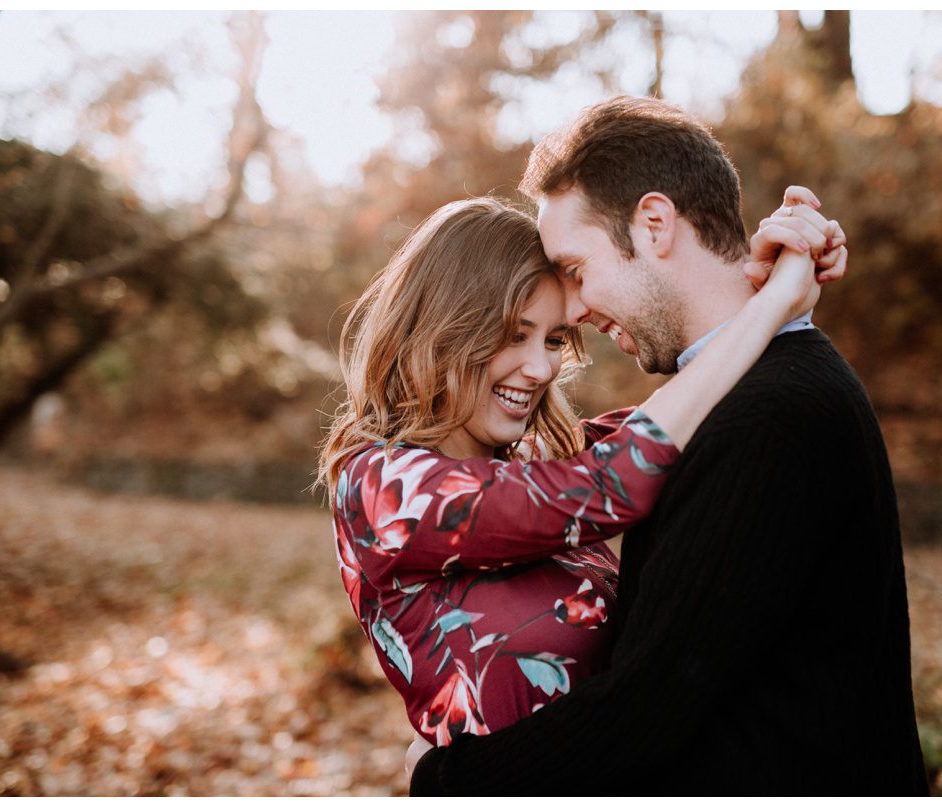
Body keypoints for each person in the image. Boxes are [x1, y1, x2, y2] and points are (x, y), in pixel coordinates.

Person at [410, 96, 928, 795]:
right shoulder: (754, 389)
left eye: (576, 267)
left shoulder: (769, 419)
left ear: (654, 224)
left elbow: (644, 714)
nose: (575, 309)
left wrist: (444, 779)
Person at [317, 194, 838, 756]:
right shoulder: (382, 489)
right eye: (513, 335)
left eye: (554, 340)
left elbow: (694, 411)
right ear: (444, 326)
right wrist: (772, 304)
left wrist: (762, 287)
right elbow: (617, 479)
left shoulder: (535, 458)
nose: (541, 368)